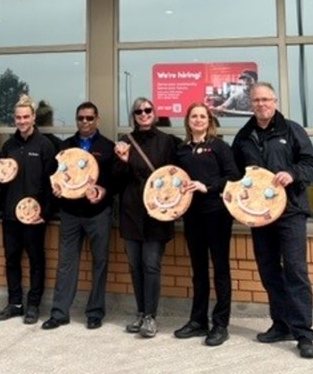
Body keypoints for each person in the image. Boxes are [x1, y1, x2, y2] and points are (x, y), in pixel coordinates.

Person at [231, 82, 313, 359]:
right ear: (251, 104)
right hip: (260, 216)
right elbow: (235, 176)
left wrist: (292, 173)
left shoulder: (291, 130)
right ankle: (280, 324)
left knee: (295, 271)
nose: (261, 104)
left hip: (291, 212)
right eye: (256, 100)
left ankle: (304, 334)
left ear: (275, 101)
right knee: (269, 270)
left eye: (266, 99)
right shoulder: (244, 137)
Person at [42, 101, 116, 331]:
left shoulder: (107, 146)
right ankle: (59, 312)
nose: (85, 122)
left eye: (89, 118)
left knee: (100, 262)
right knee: (66, 263)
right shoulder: (66, 146)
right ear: (76, 120)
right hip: (70, 213)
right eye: (81, 118)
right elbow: (56, 176)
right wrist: (56, 191)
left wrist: (104, 191)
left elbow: (114, 181)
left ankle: (94, 312)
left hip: (97, 213)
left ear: (97, 120)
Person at [173, 102, 242, 346]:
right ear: (188, 121)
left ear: (209, 120)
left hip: (217, 214)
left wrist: (208, 186)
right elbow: (173, 178)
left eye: (203, 116)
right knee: (199, 271)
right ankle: (198, 321)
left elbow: (233, 177)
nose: (198, 120)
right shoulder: (181, 150)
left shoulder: (220, 147)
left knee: (220, 269)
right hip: (192, 216)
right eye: (194, 116)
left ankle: (221, 324)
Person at [112, 97, 180, 338]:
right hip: (131, 213)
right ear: (133, 116)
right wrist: (121, 162)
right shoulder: (124, 142)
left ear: (155, 113)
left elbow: (178, 176)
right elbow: (116, 182)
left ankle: (151, 317)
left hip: (157, 215)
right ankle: (141, 313)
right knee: (135, 266)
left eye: (147, 110)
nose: (143, 114)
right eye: (138, 111)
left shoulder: (168, 142)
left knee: (151, 265)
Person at [0, 94, 55, 325]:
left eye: (26, 117)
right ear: (14, 119)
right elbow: (2, 177)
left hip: (34, 216)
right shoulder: (9, 145)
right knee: (11, 259)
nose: (22, 121)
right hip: (10, 214)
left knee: (36, 260)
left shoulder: (44, 146)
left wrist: (45, 214)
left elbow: (51, 184)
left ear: (33, 118)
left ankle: (33, 306)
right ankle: (15, 303)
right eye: (18, 117)